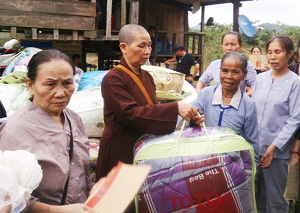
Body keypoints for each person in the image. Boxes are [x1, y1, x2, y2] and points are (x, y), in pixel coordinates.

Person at [96, 24, 203, 180]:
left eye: (149, 45)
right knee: (118, 200)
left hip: (142, 149)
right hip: (120, 151)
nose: (147, 51)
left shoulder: (146, 76)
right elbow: (130, 114)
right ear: (124, 47)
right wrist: (174, 108)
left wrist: (188, 119)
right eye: (141, 46)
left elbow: (151, 112)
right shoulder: (113, 78)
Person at [0, 49, 95, 213]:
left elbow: (82, 172)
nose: (60, 93)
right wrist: (58, 211)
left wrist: (93, 190)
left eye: (67, 83)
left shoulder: (74, 120)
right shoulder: (16, 129)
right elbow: (9, 197)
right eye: (50, 84)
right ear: (30, 85)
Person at [252, 35, 300, 213]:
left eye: (278, 52)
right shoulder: (260, 79)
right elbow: (252, 111)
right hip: (255, 149)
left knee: (277, 200)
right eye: (270, 52)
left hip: (278, 153)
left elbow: (295, 119)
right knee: (257, 197)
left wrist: (273, 147)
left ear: (289, 54)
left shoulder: (295, 83)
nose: (272, 56)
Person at [192, 52, 259, 159]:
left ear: (244, 75)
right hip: (203, 162)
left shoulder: (248, 105)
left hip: (233, 168)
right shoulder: (205, 95)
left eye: (235, 72)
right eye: (225, 71)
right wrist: (193, 122)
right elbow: (187, 124)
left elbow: (252, 143)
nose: (229, 76)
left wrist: (249, 173)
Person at [196, 31, 257, 95]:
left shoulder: (247, 65)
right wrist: (200, 94)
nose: (229, 48)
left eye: (233, 44)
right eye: (226, 44)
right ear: (222, 45)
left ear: (240, 46)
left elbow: (256, 87)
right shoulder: (214, 64)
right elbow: (201, 82)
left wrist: (241, 99)